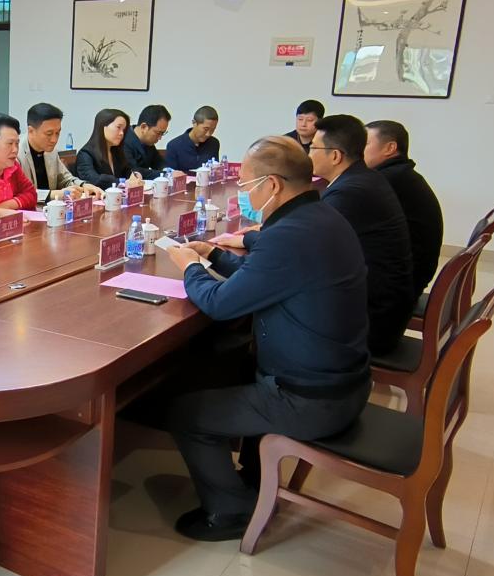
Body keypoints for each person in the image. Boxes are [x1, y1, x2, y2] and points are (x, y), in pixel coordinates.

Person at [162, 136, 370, 541]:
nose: (244, 193)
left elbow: (220, 304)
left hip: (312, 400)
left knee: (186, 413)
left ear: (272, 184)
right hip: (344, 380)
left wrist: (190, 266)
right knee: (225, 363)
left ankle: (230, 511)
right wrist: (214, 255)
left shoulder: (289, 235)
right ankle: (252, 479)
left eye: (245, 185)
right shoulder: (321, 217)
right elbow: (265, 275)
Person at [308, 115, 415, 355]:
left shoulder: (350, 192)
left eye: (313, 148)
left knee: (277, 302)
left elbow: (305, 245)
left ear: (335, 156)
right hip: (384, 304)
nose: (308, 154)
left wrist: (250, 239)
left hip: (373, 321)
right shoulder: (364, 178)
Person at [364, 120, 444, 298]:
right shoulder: (401, 174)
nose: (358, 150)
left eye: (365, 144)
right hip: (411, 273)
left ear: (390, 148)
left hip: (399, 285)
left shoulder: (387, 180)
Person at [16, 102, 104, 200]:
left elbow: (65, 179)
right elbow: (18, 192)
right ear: (31, 130)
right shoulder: (15, 153)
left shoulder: (51, 151)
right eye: (49, 134)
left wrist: (83, 186)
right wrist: (55, 194)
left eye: (57, 133)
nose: (54, 140)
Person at [74, 108, 145, 189]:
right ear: (103, 126)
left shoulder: (116, 150)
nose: (122, 133)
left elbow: (127, 171)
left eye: (124, 130)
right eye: (118, 127)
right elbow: (93, 180)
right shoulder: (85, 154)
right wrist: (123, 183)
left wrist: (134, 175)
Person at [163, 105, 220, 172]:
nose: (208, 134)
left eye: (212, 130)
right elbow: (170, 174)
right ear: (194, 123)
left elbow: (215, 171)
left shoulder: (214, 143)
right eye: (205, 129)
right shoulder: (174, 146)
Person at [122, 104, 172, 177]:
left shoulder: (148, 142)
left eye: (163, 133)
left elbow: (158, 162)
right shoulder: (123, 141)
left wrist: (169, 170)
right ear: (144, 127)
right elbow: (134, 171)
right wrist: (165, 174)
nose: (160, 138)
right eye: (158, 133)